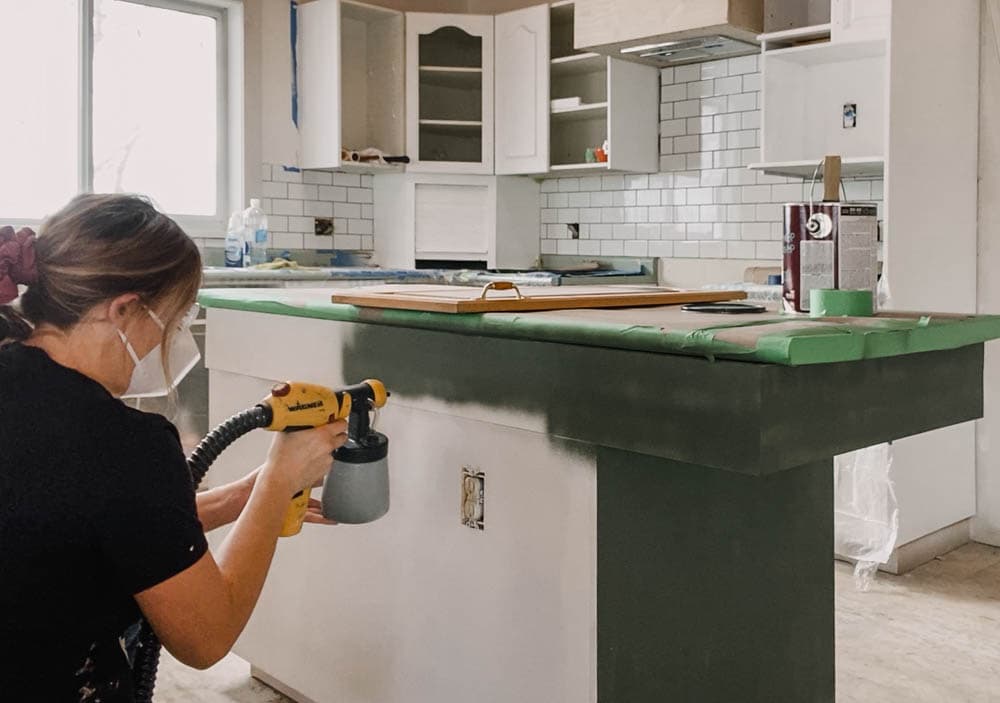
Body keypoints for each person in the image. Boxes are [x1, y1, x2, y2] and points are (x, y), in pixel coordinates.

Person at [0, 194, 348, 701]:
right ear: (123, 309)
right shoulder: (123, 442)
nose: (173, 340)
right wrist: (276, 485)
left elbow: (95, 522)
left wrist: (245, 495)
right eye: (174, 320)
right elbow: (205, 638)